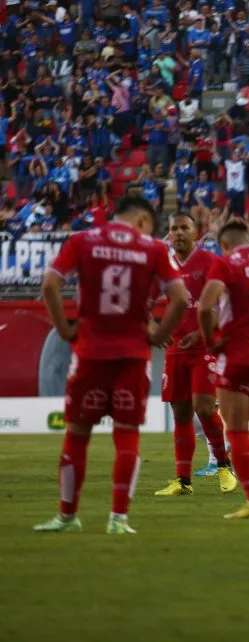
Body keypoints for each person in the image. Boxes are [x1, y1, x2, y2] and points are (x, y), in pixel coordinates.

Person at [34, 196, 189, 535]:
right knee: (127, 437)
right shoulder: (152, 249)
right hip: (133, 356)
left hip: (90, 353)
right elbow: (181, 298)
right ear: (145, 222)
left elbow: (49, 285)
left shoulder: (82, 241)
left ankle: (67, 516)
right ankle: (118, 519)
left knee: (77, 433)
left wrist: (64, 329)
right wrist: (158, 334)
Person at [196, 222, 249, 520]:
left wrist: (212, 342)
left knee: (236, 429)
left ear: (223, 244)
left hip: (236, 355)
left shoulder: (226, 263)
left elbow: (204, 308)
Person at [154, 213, 237, 497]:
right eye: (173, 228)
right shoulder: (164, 266)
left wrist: (202, 334)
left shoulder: (210, 263)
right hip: (175, 349)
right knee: (180, 415)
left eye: (183, 228)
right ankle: (183, 480)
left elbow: (223, 307)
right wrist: (154, 327)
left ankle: (224, 466)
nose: (178, 233)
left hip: (203, 347)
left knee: (203, 407)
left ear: (195, 233)